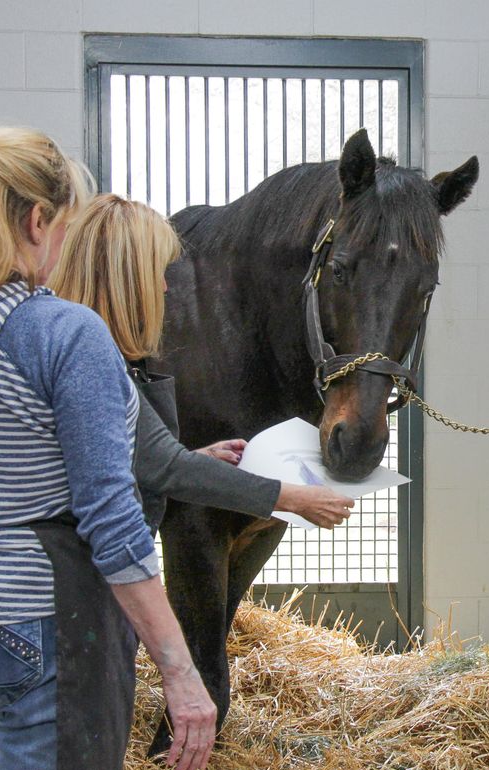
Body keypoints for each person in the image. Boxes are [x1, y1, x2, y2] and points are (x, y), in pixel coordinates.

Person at [0, 126, 215, 770]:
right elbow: (114, 524)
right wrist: (180, 671)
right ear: (36, 220)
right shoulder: (64, 332)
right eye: (65, 225)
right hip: (47, 627)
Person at [47, 193, 355, 532]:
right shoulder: (88, 353)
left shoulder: (73, 341)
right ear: (125, 277)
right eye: (158, 271)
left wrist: (199, 458)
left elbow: (136, 458)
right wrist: (292, 498)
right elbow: (166, 468)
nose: (165, 287)